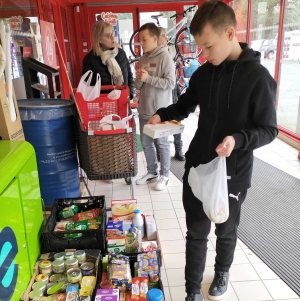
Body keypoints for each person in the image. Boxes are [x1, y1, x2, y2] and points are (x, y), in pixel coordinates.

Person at [147, 1, 278, 300]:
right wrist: (163, 113)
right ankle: (192, 292)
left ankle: (222, 271)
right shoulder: (205, 74)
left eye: (208, 46)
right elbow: (184, 104)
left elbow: (269, 130)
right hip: (197, 165)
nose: (204, 55)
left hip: (232, 173)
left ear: (230, 33)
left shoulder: (258, 78)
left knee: (225, 229)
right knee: (195, 233)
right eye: (200, 48)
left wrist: (238, 140)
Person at [135, 23, 175, 191]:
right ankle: (152, 171)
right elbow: (138, 85)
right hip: (144, 108)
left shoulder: (165, 56)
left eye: (144, 39)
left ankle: (165, 175)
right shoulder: (142, 58)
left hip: (160, 111)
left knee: (162, 144)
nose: (141, 43)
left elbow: (171, 83)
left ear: (154, 38)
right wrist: (139, 78)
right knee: (145, 143)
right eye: (140, 40)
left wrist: (149, 78)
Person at [82, 21, 134, 100]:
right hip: (103, 103)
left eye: (113, 34)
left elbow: (129, 76)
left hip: (123, 100)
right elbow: (88, 86)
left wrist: (130, 95)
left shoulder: (121, 53)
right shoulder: (90, 59)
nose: (113, 38)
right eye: (108, 36)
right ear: (99, 39)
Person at [155, 26, 185, 162]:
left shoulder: (169, 52)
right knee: (160, 126)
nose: (166, 38)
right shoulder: (154, 56)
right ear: (155, 38)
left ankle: (179, 150)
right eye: (163, 35)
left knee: (176, 123)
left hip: (173, 94)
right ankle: (160, 153)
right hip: (161, 97)